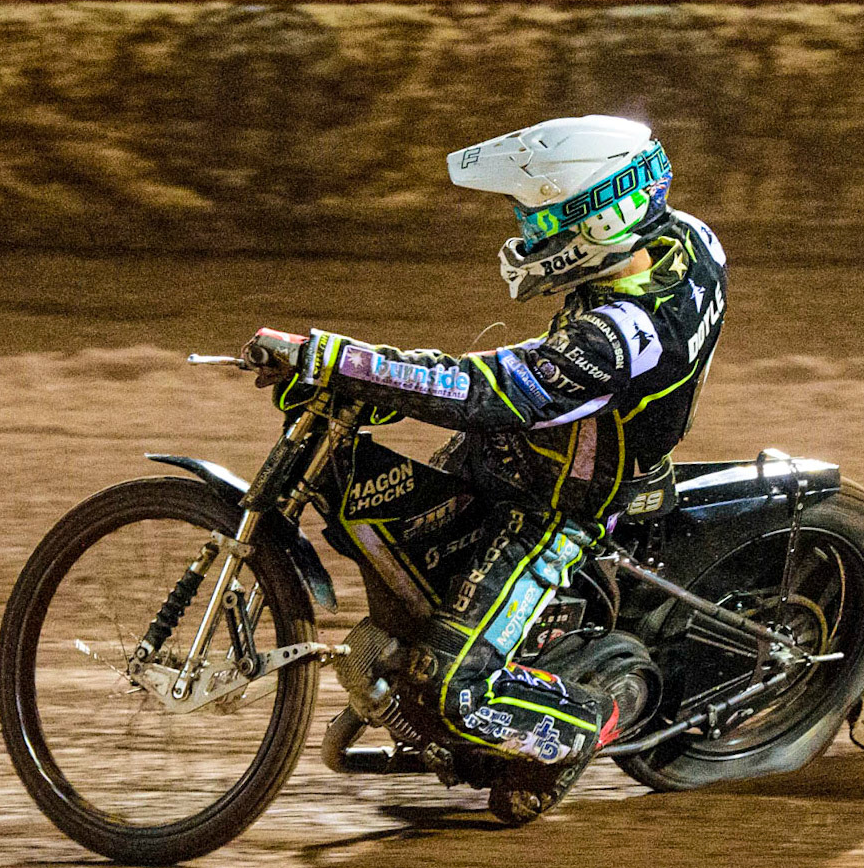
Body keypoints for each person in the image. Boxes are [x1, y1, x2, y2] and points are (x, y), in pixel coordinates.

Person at [254, 115, 729, 822]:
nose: (525, 236)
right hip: (534, 450)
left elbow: (486, 391)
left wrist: (341, 361)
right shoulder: (684, 240)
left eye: (539, 219)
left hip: (559, 503)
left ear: (596, 221)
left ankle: (584, 725)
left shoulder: (619, 340)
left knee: (449, 686)